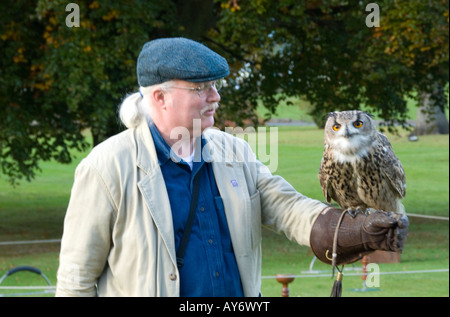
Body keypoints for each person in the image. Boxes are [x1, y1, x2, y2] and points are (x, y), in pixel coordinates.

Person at [55, 37, 408, 297]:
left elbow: (284, 206)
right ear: (159, 97)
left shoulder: (233, 152)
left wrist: (341, 228)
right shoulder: (107, 167)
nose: (215, 96)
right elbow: (76, 279)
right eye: (200, 87)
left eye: (215, 85)